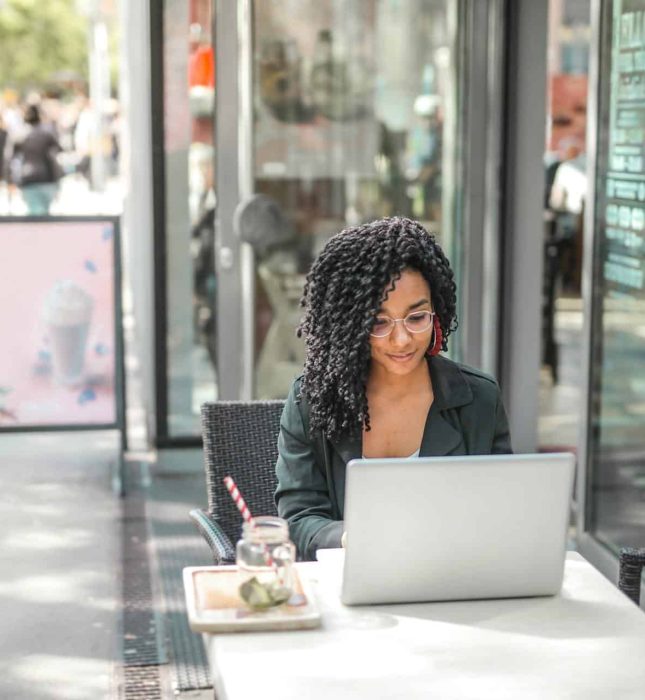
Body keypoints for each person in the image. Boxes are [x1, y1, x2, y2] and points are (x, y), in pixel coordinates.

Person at [275, 217, 513, 560]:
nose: (401, 340)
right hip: (348, 584)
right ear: (350, 325)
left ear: (437, 313)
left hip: (454, 580)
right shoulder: (311, 401)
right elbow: (298, 520)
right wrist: (350, 537)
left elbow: (501, 514)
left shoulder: (479, 399)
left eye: (417, 318)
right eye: (378, 322)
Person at [10, 104, 62, 215]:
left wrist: (10, 180)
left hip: (30, 178)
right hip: (46, 178)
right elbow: (56, 154)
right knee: (42, 213)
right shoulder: (47, 135)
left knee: (36, 213)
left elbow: (12, 160)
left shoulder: (20, 136)